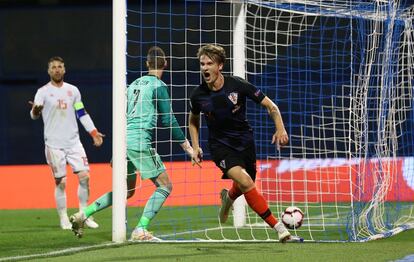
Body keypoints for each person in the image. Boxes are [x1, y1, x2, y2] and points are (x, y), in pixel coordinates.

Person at [70, 46, 195, 240]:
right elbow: (168, 120)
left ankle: (83, 214)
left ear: (147, 64)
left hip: (123, 141)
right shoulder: (158, 86)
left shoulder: (133, 84)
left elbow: (122, 116)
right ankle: (141, 229)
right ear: (166, 64)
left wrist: (117, 150)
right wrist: (189, 148)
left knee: (126, 191)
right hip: (139, 142)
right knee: (165, 186)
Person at [188, 44, 302, 243]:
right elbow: (193, 120)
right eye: (202, 64)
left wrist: (280, 128)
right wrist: (195, 145)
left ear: (220, 65)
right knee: (247, 182)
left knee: (244, 184)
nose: (205, 68)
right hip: (220, 146)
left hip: (245, 142)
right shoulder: (198, 95)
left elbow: (271, 106)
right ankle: (280, 228)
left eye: (209, 63)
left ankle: (228, 198)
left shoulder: (238, 85)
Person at [30, 56, 104, 230]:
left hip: (74, 143)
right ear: (49, 71)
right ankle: (63, 217)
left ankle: (84, 215)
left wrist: (93, 132)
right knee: (61, 182)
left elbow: (81, 113)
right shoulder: (43, 92)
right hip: (54, 144)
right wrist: (35, 110)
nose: (57, 69)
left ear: (64, 69)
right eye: (53, 67)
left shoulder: (73, 91)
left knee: (85, 177)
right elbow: (34, 114)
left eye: (60, 67)